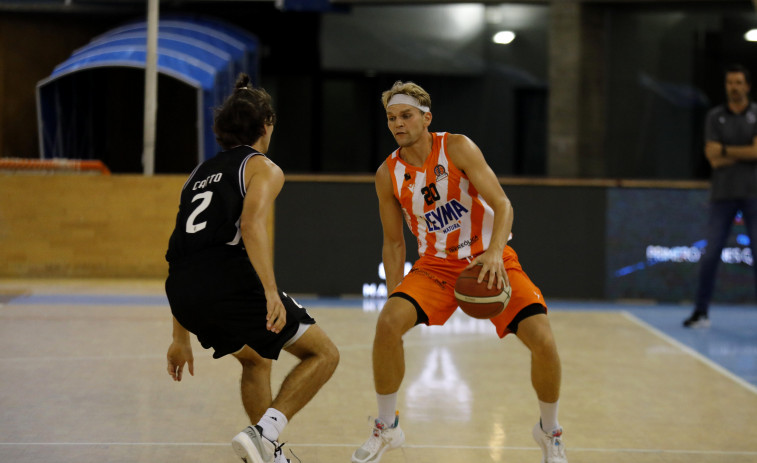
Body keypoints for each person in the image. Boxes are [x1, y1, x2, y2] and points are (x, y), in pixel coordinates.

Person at [351, 81, 567, 463]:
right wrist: (394, 294)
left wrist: (497, 253)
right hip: (434, 267)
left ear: (426, 117)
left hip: (487, 259)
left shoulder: (456, 147)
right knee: (388, 324)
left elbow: (503, 204)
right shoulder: (388, 174)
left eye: (406, 116)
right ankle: (388, 426)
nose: (398, 124)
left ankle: (549, 431)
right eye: (391, 118)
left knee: (544, 340)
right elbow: (393, 243)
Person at [164, 73, 339, 463]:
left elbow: (178, 253)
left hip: (183, 290)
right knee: (324, 354)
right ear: (267, 125)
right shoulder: (262, 167)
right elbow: (250, 224)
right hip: (225, 281)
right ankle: (265, 432)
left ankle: (268, 455)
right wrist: (270, 292)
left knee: (256, 359)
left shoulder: (196, 175)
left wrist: (180, 336)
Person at [684, 64, 757, 328]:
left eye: (739, 82)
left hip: (753, 195)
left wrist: (726, 150)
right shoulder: (715, 117)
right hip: (722, 196)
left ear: (747, 86)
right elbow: (713, 159)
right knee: (711, 253)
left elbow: (755, 153)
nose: (734, 87)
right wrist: (744, 151)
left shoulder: (755, 115)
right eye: (730, 83)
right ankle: (700, 312)